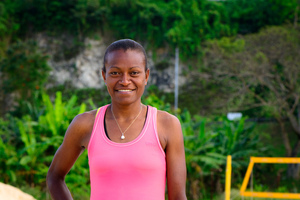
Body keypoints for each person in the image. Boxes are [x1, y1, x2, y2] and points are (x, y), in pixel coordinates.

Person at [46, 39, 187, 200]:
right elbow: (54, 176)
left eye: (134, 73)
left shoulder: (166, 125)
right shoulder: (85, 124)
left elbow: (178, 196)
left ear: (146, 76)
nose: (125, 81)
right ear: (104, 75)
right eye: (115, 73)